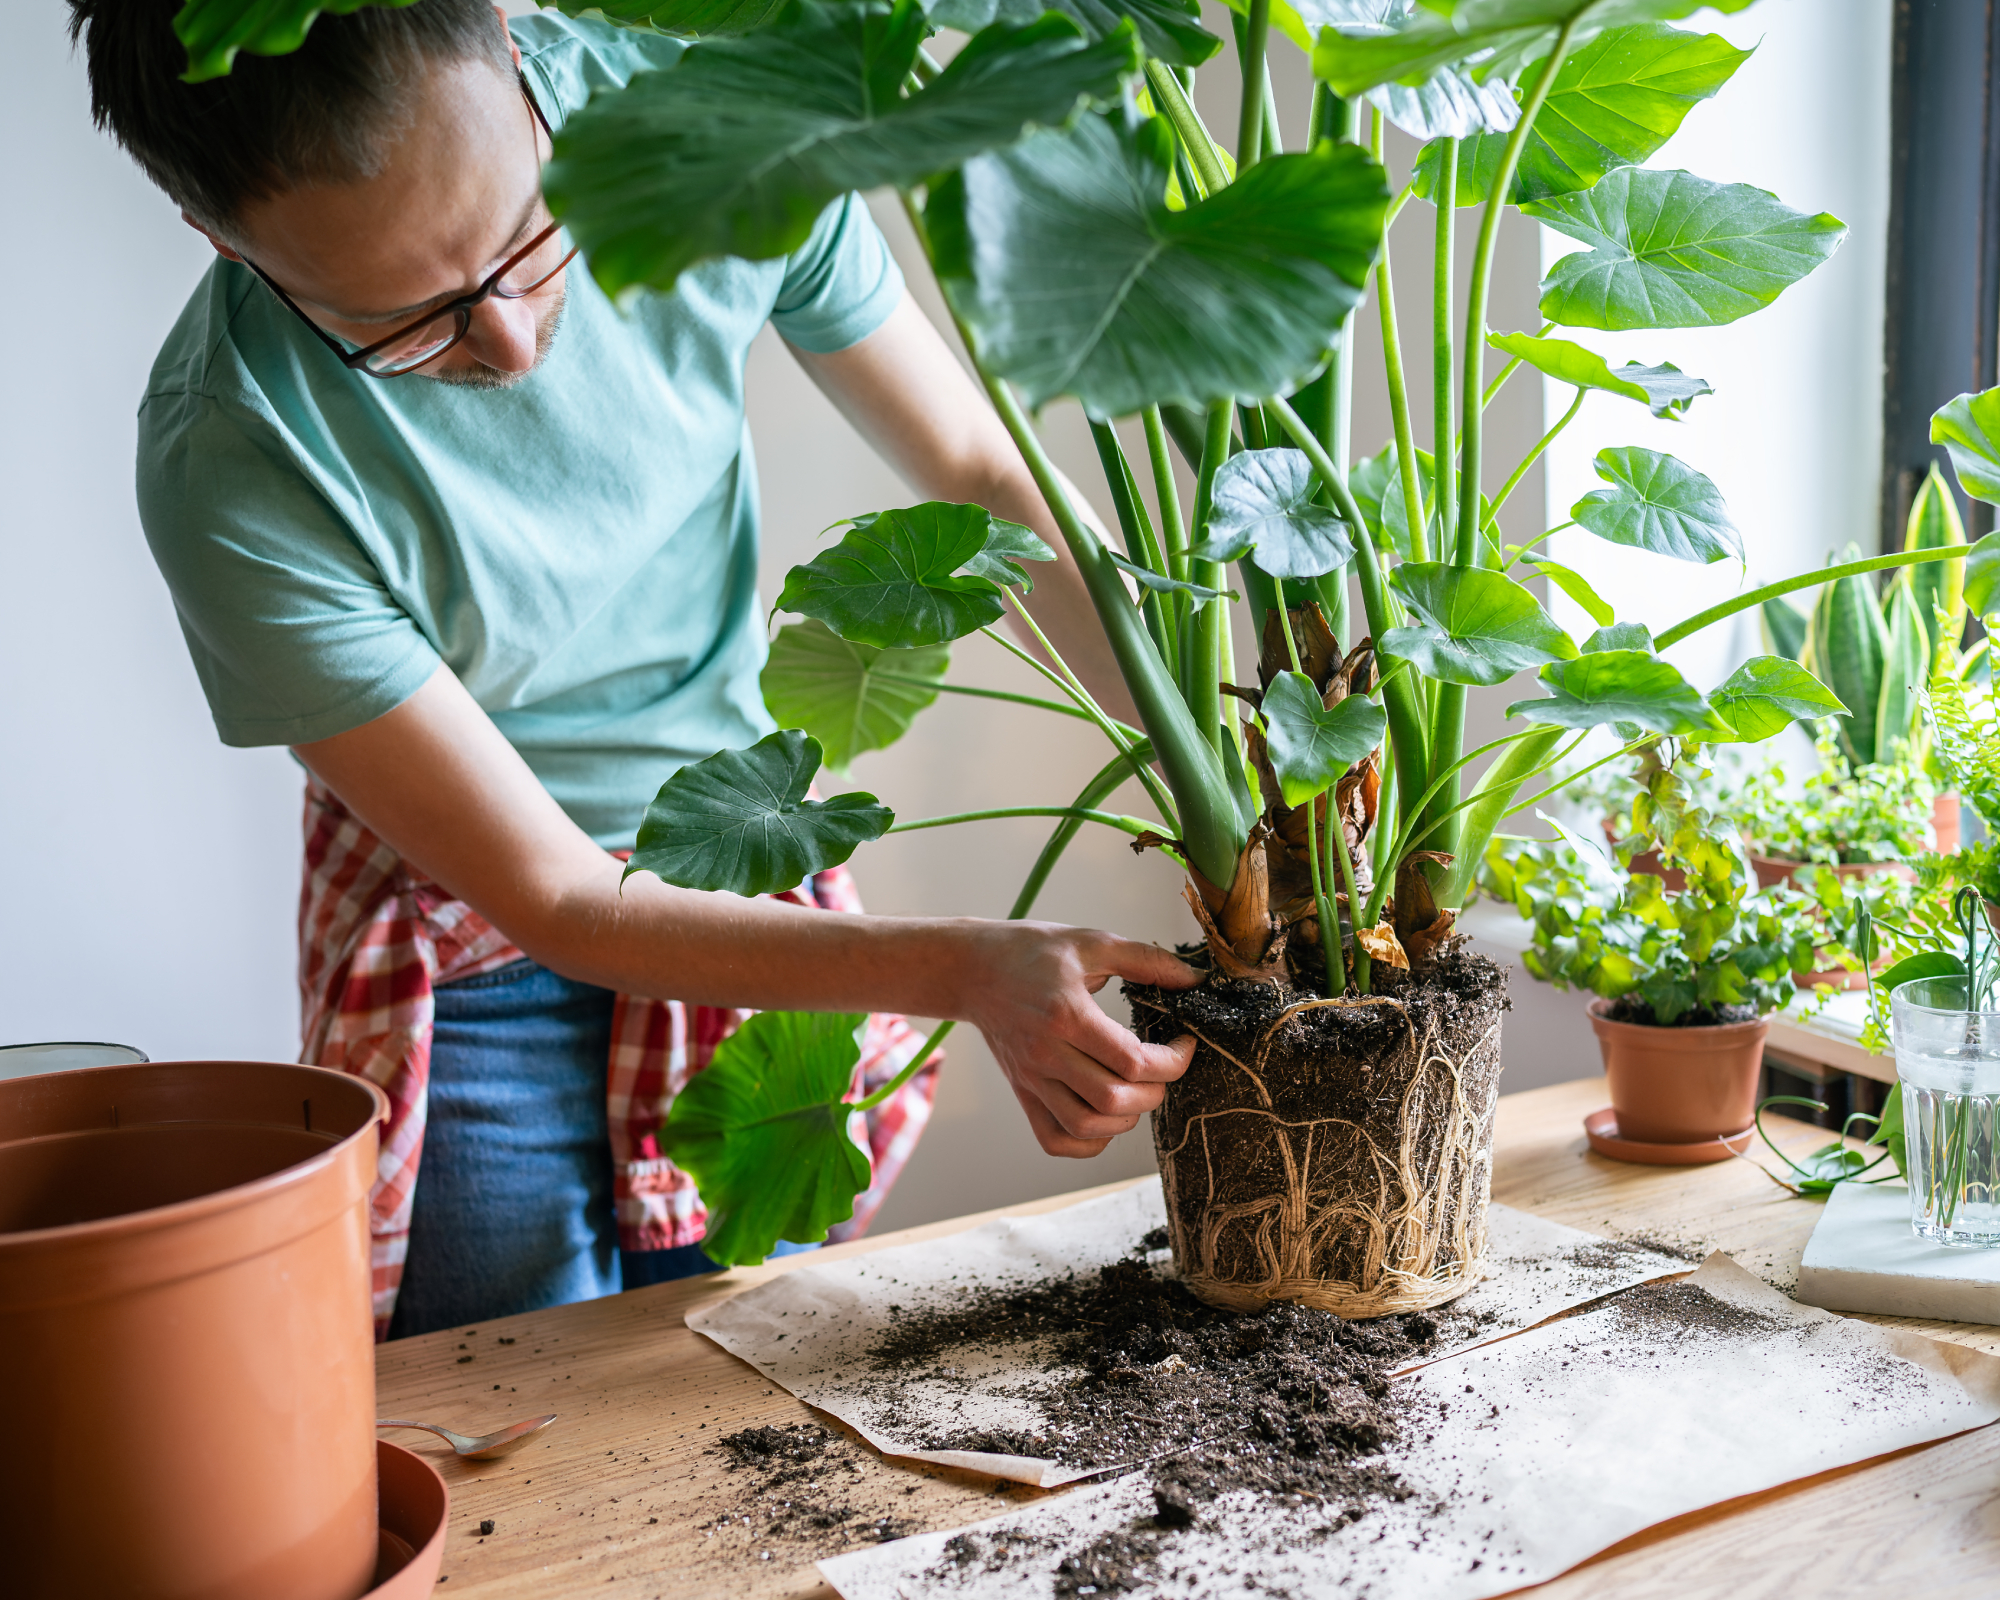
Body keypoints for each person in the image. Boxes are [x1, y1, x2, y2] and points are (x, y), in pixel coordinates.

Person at [67, 0, 1196, 1337]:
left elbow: (981, 470)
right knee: (520, 1409)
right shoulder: (229, 462)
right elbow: (555, 894)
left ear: (506, 35)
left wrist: (1209, 756)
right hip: (476, 951)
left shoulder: (716, 111)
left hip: (740, 863)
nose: (510, 344)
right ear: (222, 242)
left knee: (760, 1367)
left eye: (528, 241)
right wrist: (965, 970)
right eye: (402, 324)